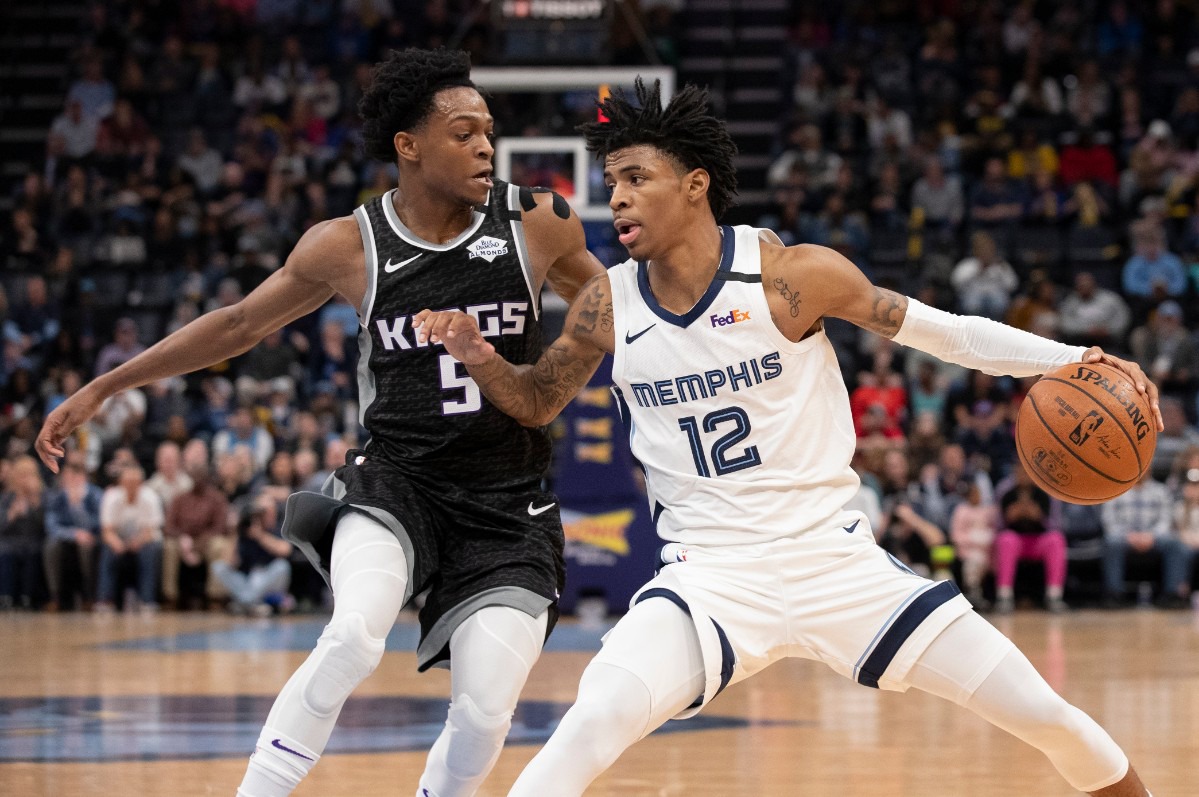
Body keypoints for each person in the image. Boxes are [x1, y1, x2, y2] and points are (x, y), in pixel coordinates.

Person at [414, 79, 1161, 796]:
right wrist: (482, 359)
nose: (616, 197)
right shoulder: (606, 302)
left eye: (637, 177)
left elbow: (951, 335)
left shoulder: (789, 277)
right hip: (709, 578)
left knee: (1042, 715)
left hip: (834, 561)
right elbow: (540, 399)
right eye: (612, 182)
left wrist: (1074, 359)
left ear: (695, 184)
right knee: (590, 722)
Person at [35, 48, 603, 797]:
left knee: (484, 711)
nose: (484, 146)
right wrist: (107, 384)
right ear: (408, 146)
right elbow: (237, 324)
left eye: (487, 131)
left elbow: (612, 309)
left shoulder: (537, 221)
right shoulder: (347, 244)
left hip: (506, 503)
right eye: (463, 132)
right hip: (397, 481)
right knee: (353, 632)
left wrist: (569, 372)